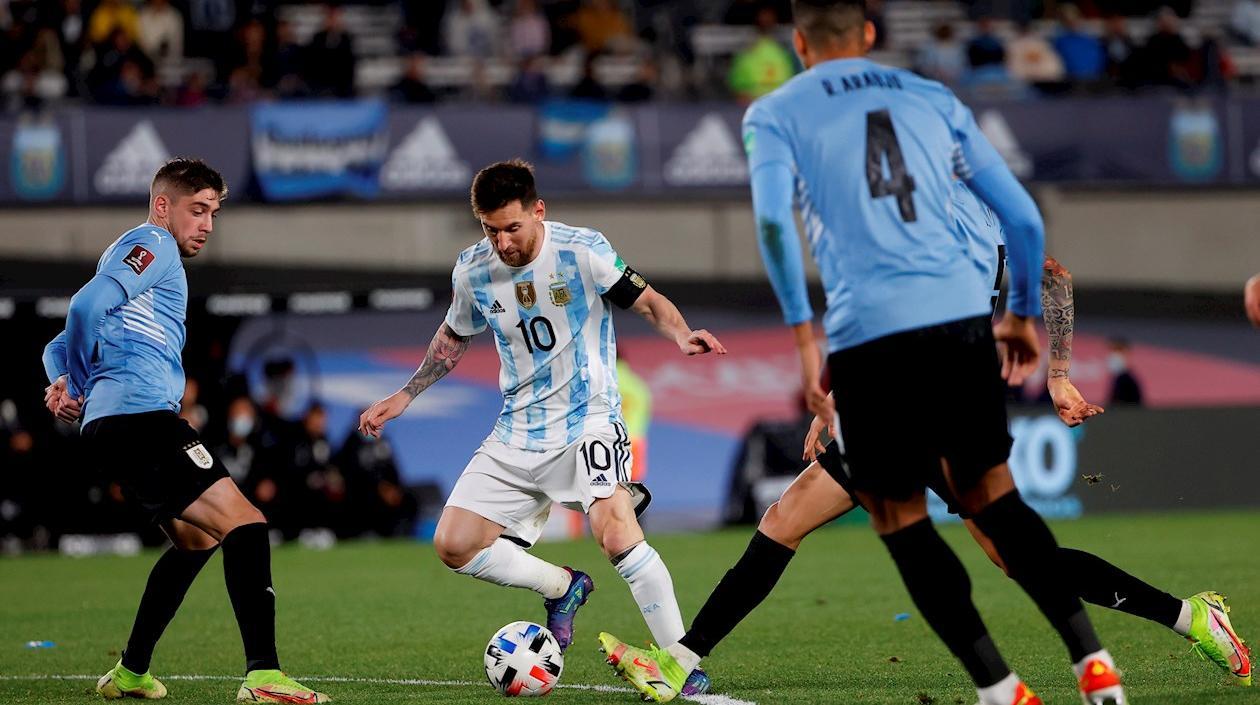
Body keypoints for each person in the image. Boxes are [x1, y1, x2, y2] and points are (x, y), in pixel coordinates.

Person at [599, 2, 1127, 704]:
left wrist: (804, 340)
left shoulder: (778, 113)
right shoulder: (932, 102)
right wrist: (1029, 329)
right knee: (997, 509)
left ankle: (1002, 687)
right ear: (871, 35)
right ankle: (1094, 662)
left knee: (902, 523)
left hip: (872, 343)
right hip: (960, 339)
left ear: (797, 42)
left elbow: (773, 227)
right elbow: (1029, 221)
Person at [600, 180, 1255, 703]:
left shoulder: (948, 214)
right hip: (889, 400)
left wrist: (1056, 375)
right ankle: (680, 659)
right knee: (785, 518)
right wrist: (833, 400)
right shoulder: (931, 211)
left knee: (1009, 555)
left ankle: (1175, 622)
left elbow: (1047, 278)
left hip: (939, 406)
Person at [358, 159, 726, 696]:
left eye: (512, 228)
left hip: (588, 421)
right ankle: (562, 586)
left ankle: (681, 665)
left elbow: (647, 301)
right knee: (454, 544)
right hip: (517, 429)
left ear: (538, 211)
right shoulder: (472, 270)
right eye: (490, 230)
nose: (502, 243)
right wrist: (405, 394)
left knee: (617, 533)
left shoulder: (583, 251)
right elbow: (454, 336)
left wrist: (682, 334)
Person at [40, 158, 327, 703]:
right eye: (197, 210)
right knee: (246, 524)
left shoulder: (126, 260)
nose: (207, 225)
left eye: (213, 213)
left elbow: (58, 340)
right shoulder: (154, 244)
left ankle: (130, 673)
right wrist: (75, 383)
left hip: (114, 427)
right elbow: (82, 307)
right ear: (162, 205)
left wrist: (61, 380)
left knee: (195, 541)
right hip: (141, 420)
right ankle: (264, 676)